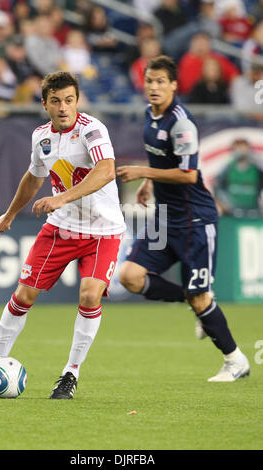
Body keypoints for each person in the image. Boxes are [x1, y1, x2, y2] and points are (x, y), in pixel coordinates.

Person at [0, 71, 125, 399]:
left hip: (103, 231)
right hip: (62, 229)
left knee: (90, 296)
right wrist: (10, 213)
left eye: (69, 100)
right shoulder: (40, 137)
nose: (63, 107)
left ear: (78, 101)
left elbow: (105, 171)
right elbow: (33, 177)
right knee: (23, 296)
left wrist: (61, 197)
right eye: (56, 101)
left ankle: (70, 374)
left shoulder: (92, 130)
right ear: (44, 103)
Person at [116, 55, 250, 382]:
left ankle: (235, 360)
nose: (154, 87)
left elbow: (189, 174)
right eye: (150, 81)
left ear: (174, 85)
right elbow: (162, 158)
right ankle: (195, 304)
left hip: (195, 221)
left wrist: (143, 172)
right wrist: (151, 181)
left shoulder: (182, 123)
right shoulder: (150, 115)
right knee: (130, 276)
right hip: (164, 217)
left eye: (161, 81)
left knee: (200, 296)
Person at [214, 138, 263, 217]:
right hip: (232, 214)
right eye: (237, 149)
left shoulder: (257, 169)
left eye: (243, 148)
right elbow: (217, 189)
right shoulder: (226, 169)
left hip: (254, 213)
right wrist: (224, 206)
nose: (241, 152)